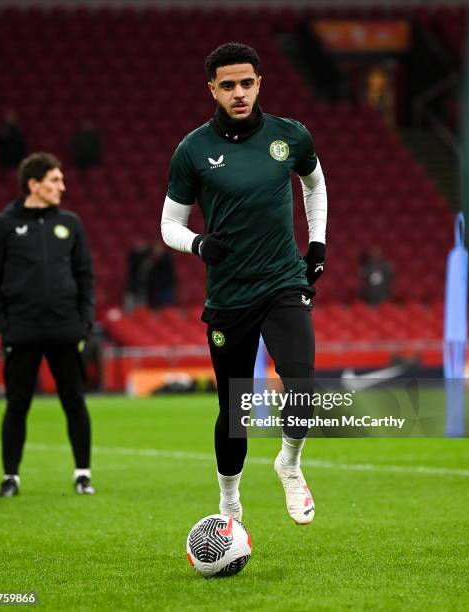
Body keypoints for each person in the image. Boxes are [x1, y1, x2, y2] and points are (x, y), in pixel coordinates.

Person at [161, 43, 327, 525]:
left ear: (260, 83)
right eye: (228, 85)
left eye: (247, 83)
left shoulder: (290, 136)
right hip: (230, 295)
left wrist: (316, 243)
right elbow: (169, 225)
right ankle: (229, 502)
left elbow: (314, 184)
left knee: (301, 383)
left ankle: (290, 465)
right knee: (233, 410)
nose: (239, 93)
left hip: (283, 281)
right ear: (212, 88)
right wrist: (197, 245)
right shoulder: (192, 150)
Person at [0, 152, 96, 498]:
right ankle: (10, 477)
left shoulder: (71, 223)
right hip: (22, 329)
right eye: (54, 181)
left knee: (74, 401)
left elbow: (85, 275)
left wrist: (84, 320)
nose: (62, 186)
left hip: (65, 328)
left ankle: (83, 473)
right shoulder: (2, 225)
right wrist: (3, 324)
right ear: (34, 184)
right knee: (17, 404)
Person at [147, 242, 177, 308]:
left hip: (165, 289)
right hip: (154, 290)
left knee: (167, 309)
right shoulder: (150, 259)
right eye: (155, 248)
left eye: (158, 248)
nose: (157, 250)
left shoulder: (167, 258)